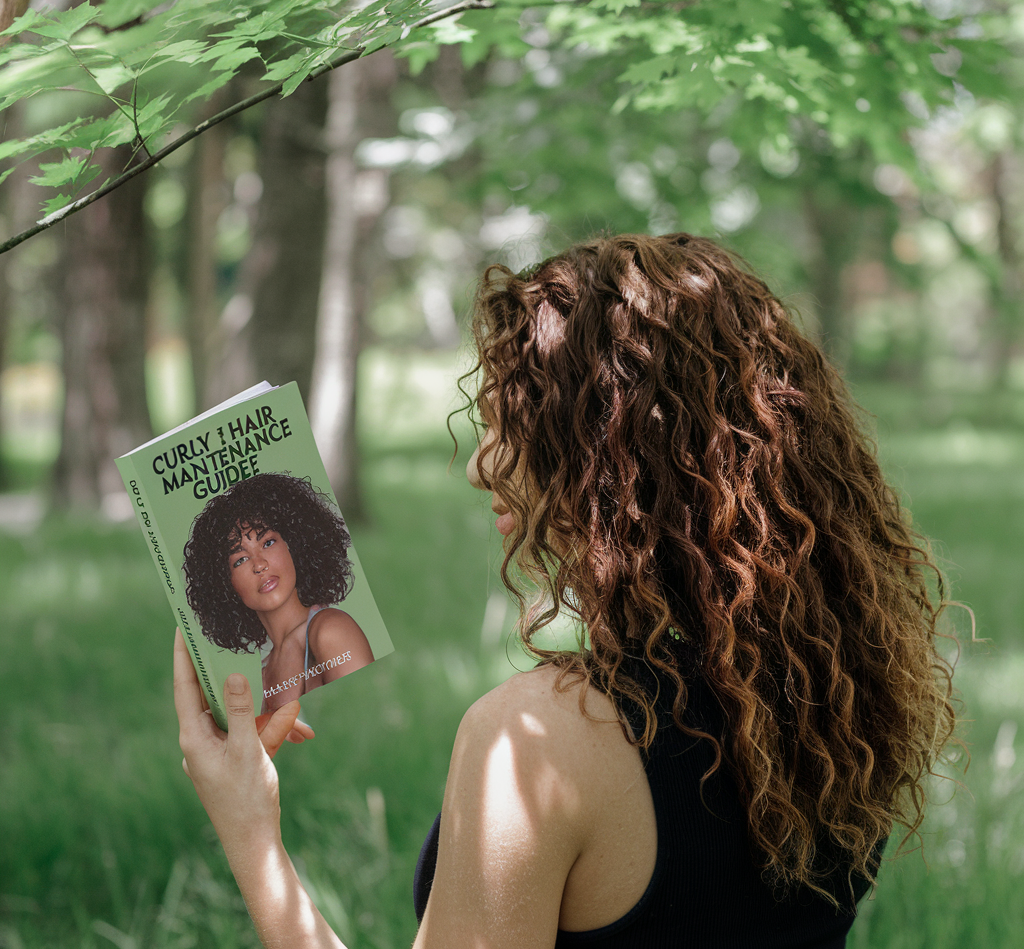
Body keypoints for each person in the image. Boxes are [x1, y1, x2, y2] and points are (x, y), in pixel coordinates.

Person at [174, 233, 957, 948]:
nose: (481, 463)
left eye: (513, 420)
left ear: (611, 454)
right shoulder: (837, 698)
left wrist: (249, 831)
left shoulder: (538, 738)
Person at [182, 471, 373, 714]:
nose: (259, 565)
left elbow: (371, 726)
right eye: (240, 560)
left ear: (294, 543)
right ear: (224, 584)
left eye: (268, 543)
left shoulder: (330, 632)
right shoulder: (265, 671)